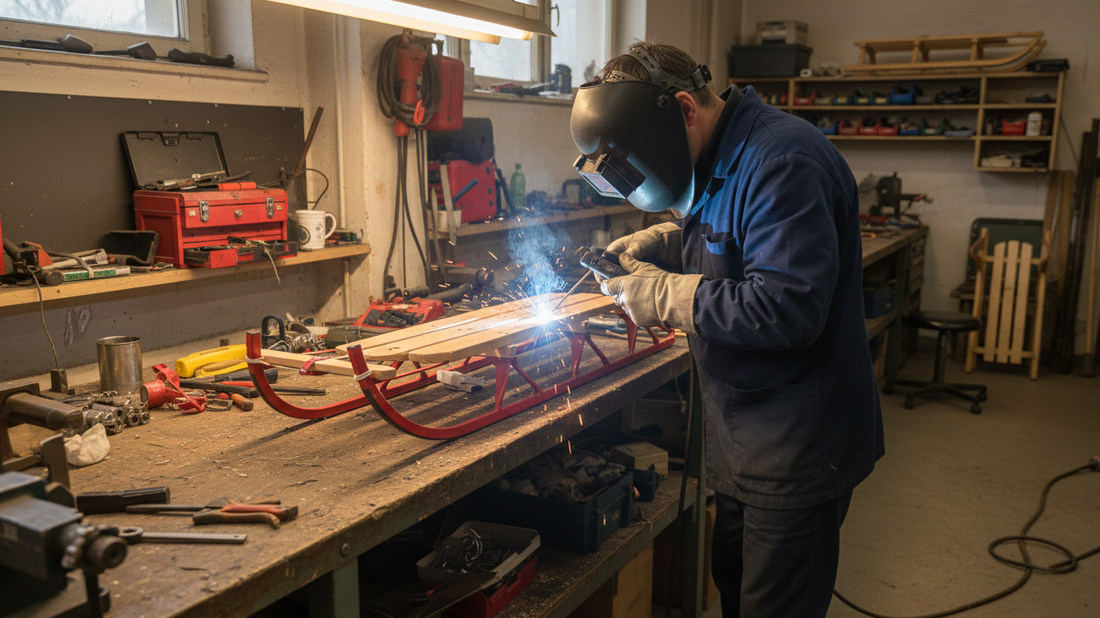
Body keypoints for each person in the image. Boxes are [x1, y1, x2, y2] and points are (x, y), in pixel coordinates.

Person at [570, 42, 884, 617]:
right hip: (743, 439)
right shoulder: (719, 156)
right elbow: (728, 238)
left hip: (796, 446)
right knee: (736, 593)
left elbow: (789, 307)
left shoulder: (782, 161)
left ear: (685, 109)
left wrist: (663, 294)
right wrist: (660, 242)